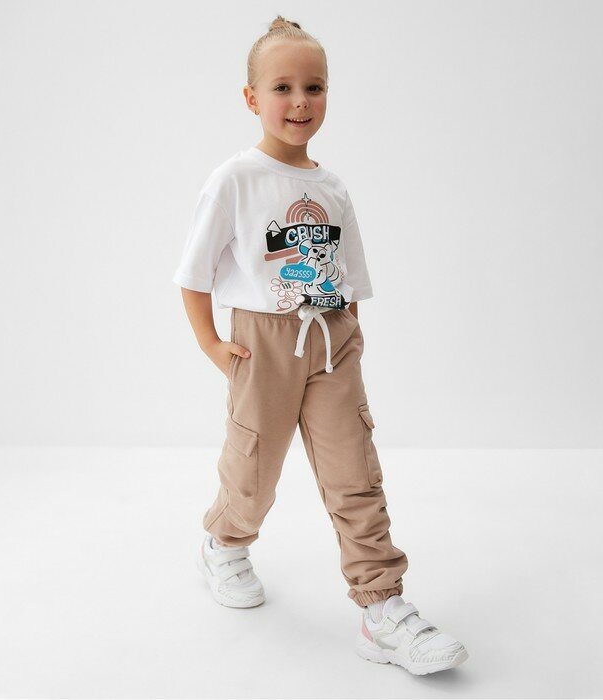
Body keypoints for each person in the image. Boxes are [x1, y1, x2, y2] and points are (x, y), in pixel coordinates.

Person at [172, 15, 468, 675]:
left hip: (332, 341)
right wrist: (213, 346)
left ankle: (382, 609)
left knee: (355, 474)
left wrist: (348, 338)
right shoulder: (235, 179)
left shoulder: (332, 188)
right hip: (262, 343)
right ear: (252, 98)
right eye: (282, 87)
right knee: (253, 470)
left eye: (315, 86)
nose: (300, 101)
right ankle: (224, 543)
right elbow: (192, 276)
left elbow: (349, 280)